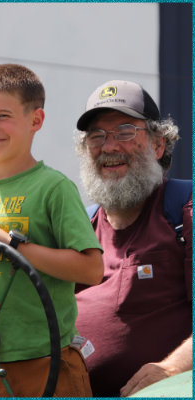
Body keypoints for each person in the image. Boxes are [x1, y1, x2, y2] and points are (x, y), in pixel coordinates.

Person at [0, 64, 103, 397]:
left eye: (4, 116)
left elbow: (92, 269)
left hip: (46, 361)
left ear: (36, 120)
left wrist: (13, 243)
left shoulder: (53, 187)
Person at [71, 80, 192, 397]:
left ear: (158, 145)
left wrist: (170, 369)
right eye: (96, 136)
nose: (109, 146)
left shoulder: (185, 210)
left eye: (125, 131)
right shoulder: (78, 229)